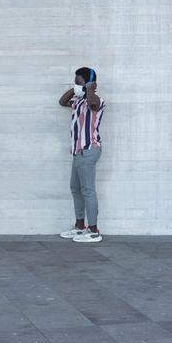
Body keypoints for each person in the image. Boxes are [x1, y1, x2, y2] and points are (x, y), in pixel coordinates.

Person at [58, 67, 105, 243]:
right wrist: (75, 90)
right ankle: (79, 227)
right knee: (75, 188)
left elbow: (93, 105)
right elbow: (62, 102)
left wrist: (90, 89)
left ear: (89, 82)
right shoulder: (77, 101)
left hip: (89, 149)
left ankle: (93, 231)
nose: (76, 84)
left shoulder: (96, 100)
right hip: (78, 151)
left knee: (87, 190)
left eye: (78, 81)